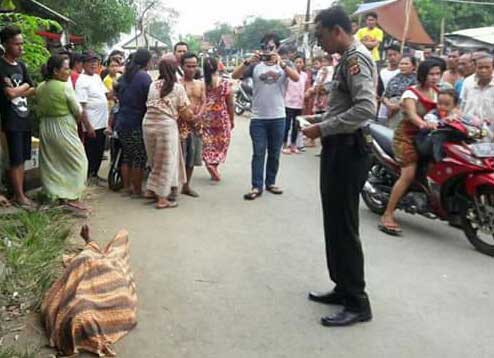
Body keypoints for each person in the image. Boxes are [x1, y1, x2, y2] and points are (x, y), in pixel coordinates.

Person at [302, 6, 377, 327]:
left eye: (320, 36)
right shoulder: (346, 59)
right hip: (339, 148)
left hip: (349, 150)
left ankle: (358, 301)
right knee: (334, 221)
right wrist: (320, 119)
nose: (319, 44)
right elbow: (344, 105)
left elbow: (365, 109)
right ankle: (342, 287)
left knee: (344, 226)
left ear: (336, 31)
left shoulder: (357, 59)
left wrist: (322, 129)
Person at [232, 32, 300, 200]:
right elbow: (235, 75)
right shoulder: (255, 65)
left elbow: (296, 78)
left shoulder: (284, 64)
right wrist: (248, 61)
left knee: (275, 152)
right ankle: (256, 186)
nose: (267, 51)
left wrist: (281, 63)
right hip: (258, 117)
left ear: (277, 48)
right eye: (264, 47)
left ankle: (270, 182)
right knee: (258, 152)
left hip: (278, 116)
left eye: (271, 47)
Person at [379, 59, 443, 235]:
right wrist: (423, 124)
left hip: (430, 138)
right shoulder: (411, 93)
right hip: (406, 137)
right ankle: (388, 214)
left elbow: (451, 110)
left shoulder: (439, 92)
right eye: (431, 74)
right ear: (423, 74)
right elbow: (412, 115)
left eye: (438, 74)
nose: (435, 77)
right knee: (408, 174)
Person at [36, 55, 90, 213]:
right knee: (79, 161)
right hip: (63, 127)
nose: (68, 71)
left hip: (46, 127)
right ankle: (73, 197)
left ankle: (55, 194)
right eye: (66, 68)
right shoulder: (64, 86)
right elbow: (77, 110)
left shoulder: (40, 87)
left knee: (52, 163)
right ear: (55, 71)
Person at [143, 57, 192, 209]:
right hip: (165, 127)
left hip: (148, 124)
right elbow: (185, 112)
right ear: (175, 69)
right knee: (166, 162)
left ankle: (151, 190)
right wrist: (195, 117)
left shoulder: (153, 85)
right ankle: (162, 199)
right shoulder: (178, 88)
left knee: (154, 160)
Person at [0, 25, 36, 208]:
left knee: (23, 158)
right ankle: (20, 196)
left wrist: (18, 90)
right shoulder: (1, 65)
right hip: (10, 120)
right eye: (17, 44)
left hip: (24, 117)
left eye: (22, 44)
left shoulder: (21, 66)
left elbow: (32, 88)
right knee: (15, 159)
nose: (21, 48)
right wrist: (22, 89)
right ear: (6, 44)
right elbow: (10, 94)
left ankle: (19, 194)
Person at [115, 48, 152, 197]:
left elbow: (116, 92)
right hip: (136, 122)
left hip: (122, 120)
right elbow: (149, 99)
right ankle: (137, 190)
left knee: (127, 155)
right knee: (139, 157)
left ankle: (127, 187)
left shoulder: (125, 76)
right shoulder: (144, 77)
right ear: (147, 62)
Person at [75, 52, 109, 185]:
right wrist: (88, 125)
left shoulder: (96, 77)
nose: (93, 64)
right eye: (90, 62)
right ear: (83, 64)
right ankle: (89, 176)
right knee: (91, 151)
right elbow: (81, 106)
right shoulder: (82, 80)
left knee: (100, 150)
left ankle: (95, 174)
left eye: (95, 62)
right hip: (92, 123)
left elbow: (106, 94)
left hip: (102, 122)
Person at [202, 57, 235, 181]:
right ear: (217, 67)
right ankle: (214, 164)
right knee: (222, 142)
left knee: (208, 143)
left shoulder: (201, 83)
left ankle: (209, 162)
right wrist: (232, 120)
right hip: (221, 116)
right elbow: (230, 103)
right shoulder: (224, 83)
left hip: (206, 117)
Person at [179, 52, 206, 197]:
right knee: (179, 157)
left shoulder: (200, 84)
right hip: (180, 125)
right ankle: (173, 187)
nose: (191, 69)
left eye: (194, 66)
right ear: (182, 66)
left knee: (192, 157)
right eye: (188, 66)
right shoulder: (177, 83)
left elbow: (203, 101)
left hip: (196, 125)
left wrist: (198, 116)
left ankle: (186, 186)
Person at [381, 56, 418, 128]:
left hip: (405, 110)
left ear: (413, 66)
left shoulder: (417, 80)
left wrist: (397, 106)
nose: (403, 66)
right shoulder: (394, 78)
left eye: (406, 64)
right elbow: (385, 95)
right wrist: (389, 105)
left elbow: (415, 97)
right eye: (401, 64)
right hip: (390, 110)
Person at [283, 54, 309, 154]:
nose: (298, 64)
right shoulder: (289, 75)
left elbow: (305, 88)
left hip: (299, 103)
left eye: (300, 62)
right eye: (296, 62)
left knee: (296, 125)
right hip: (289, 103)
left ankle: (293, 144)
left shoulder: (304, 75)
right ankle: (284, 144)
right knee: (287, 125)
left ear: (303, 64)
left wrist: (304, 101)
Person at [460, 54, 494, 131]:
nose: (483, 70)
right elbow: (462, 104)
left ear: (492, 67)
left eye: (487, 67)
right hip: (468, 129)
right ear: (475, 68)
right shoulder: (467, 82)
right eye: (480, 68)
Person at [377, 44, 401, 123]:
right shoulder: (382, 72)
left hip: (399, 108)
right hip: (383, 109)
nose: (392, 57)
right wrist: (387, 103)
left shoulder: (403, 72)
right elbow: (379, 92)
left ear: (400, 55)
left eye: (395, 54)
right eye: (389, 55)